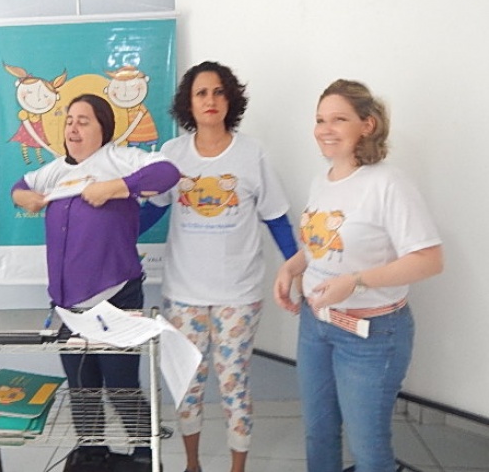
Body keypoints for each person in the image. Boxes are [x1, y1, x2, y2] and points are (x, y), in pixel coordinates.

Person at [273, 79, 444, 472]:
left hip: (371, 335)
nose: (325, 129)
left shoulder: (388, 183)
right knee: (318, 433)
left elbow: (429, 260)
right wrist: (291, 266)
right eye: (320, 120)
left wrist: (356, 281)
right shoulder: (323, 180)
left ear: (367, 125)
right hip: (316, 325)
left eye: (338, 119)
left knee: (369, 449)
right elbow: (321, 246)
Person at [10, 93, 179, 469]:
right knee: (82, 387)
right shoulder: (55, 170)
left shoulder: (119, 159)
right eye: (69, 120)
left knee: (121, 386)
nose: (73, 127)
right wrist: (25, 198)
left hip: (115, 297)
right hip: (67, 305)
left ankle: (144, 454)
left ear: (104, 127)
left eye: (83, 120)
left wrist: (115, 187)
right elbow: (19, 186)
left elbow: (167, 173)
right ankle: (92, 450)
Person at [144, 61, 298, 472]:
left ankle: (237, 467)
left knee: (234, 384)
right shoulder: (172, 155)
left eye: (218, 92)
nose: (210, 100)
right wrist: (106, 233)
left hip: (238, 296)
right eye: (201, 93)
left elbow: (276, 217)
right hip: (183, 294)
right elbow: (151, 212)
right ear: (188, 103)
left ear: (230, 99)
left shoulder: (252, 153)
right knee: (187, 386)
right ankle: (192, 464)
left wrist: (297, 268)